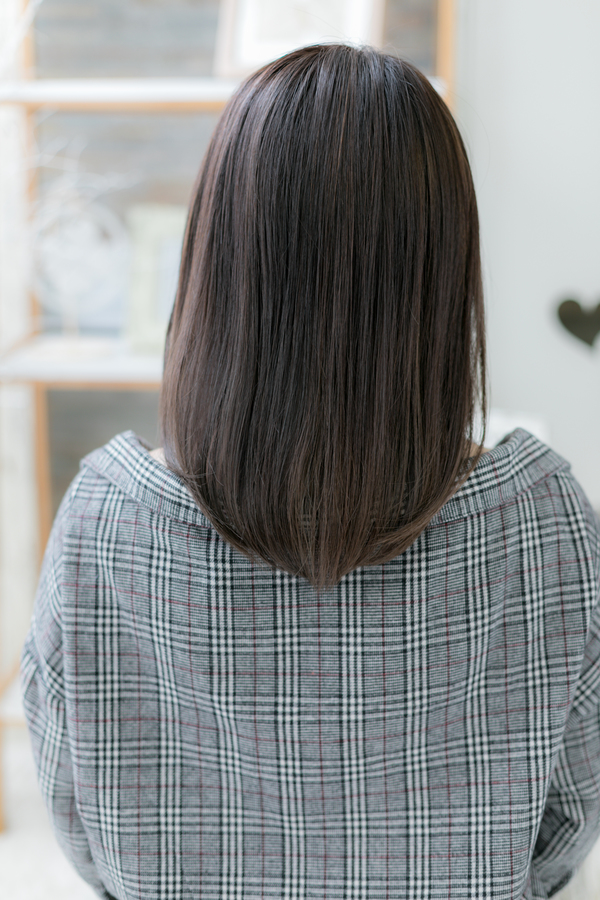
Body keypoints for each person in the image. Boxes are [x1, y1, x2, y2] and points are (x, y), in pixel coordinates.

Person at [20, 44, 600, 900]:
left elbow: (82, 826)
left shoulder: (104, 524)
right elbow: (565, 825)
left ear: (217, 258)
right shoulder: (544, 520)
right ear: (441, 275)